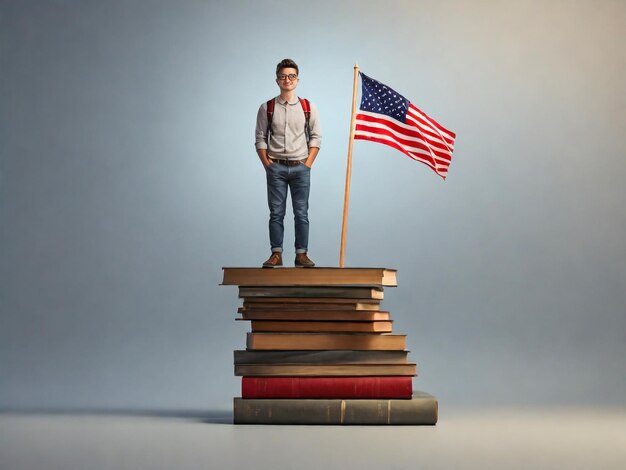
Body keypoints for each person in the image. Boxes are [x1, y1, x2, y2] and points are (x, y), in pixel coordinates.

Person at [255, 59, 322, 268]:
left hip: (301, 166)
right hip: (276, 167)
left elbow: (316, 137)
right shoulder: (267, 107)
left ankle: (301, 254)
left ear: (297, 80)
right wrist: (268, 164)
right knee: (276, 213)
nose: (287, 80)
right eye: (283, 76)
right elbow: (260, 138)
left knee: (301, 212)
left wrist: (308, 163)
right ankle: (276, 253)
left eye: (291, 76)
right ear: (277, 80)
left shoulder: (308, 106)